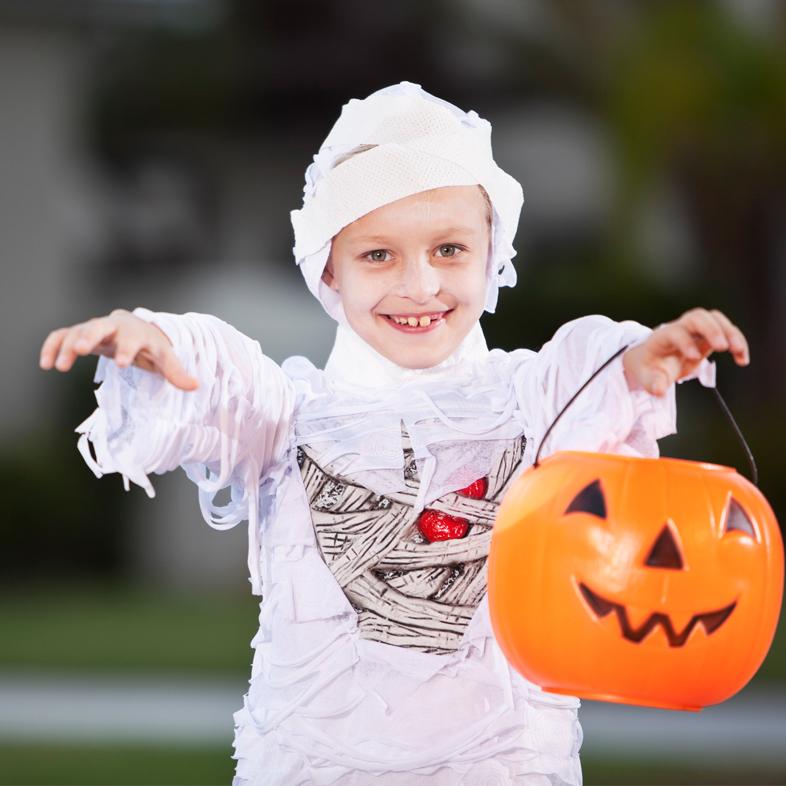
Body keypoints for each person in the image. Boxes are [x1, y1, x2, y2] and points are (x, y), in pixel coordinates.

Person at [39, 82, 749, 786]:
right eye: (378, 255)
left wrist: (640, 359)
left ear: (490, 254)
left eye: (449, 249)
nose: (419, 286)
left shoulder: (530, 401)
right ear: (329, 268)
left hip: (500, 767)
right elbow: (225, 375)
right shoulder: (290, 414)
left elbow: (590, 377)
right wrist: (159, 343)